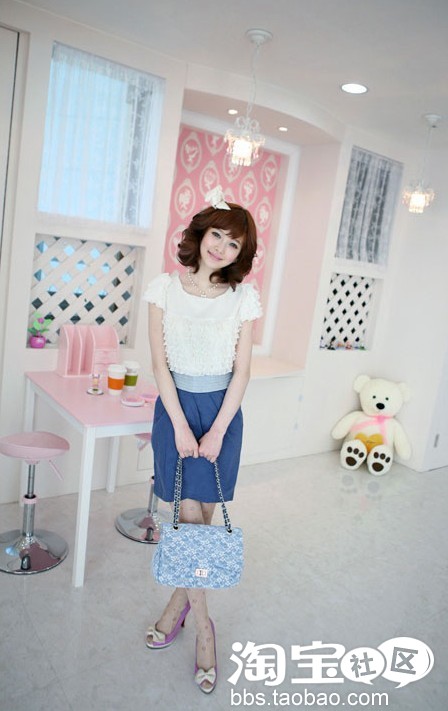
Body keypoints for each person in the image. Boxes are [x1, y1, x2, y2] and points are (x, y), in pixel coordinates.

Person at [142, 186, 262, 694]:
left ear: (241, 254)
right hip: (175, 411)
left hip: (222, 415)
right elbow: (159, 365)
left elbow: (242, 372)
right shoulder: (163, 289)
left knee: (203, 522)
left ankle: (178, 606)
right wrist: (179, 425)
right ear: (200, 233)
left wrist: (215, 431)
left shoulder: (243, 298)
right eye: (217, 235)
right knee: (189, 519)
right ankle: (205, 630)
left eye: (234, 244)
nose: (222, 248)